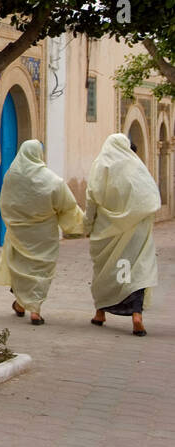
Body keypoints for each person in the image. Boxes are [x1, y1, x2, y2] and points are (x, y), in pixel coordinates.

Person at [0, 139, 85, 324]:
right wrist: (78, 224)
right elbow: (66, 204)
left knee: (21, 269)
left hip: (19, 233)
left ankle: (22, 305)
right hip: (44, 235)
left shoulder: (11, 176)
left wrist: (14, 220)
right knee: (40, 272)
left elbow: (5, 202)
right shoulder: (52, 180)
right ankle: (34, 309)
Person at [83, 133, 160, 336]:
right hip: (135, 231)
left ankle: (100, 313)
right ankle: (136, 315)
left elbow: (92, 199)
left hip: (107, 232)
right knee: (134, 271)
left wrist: (86, 226)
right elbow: (152, 197)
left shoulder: (100, 166)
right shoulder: (137, 168)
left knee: (107, 272)